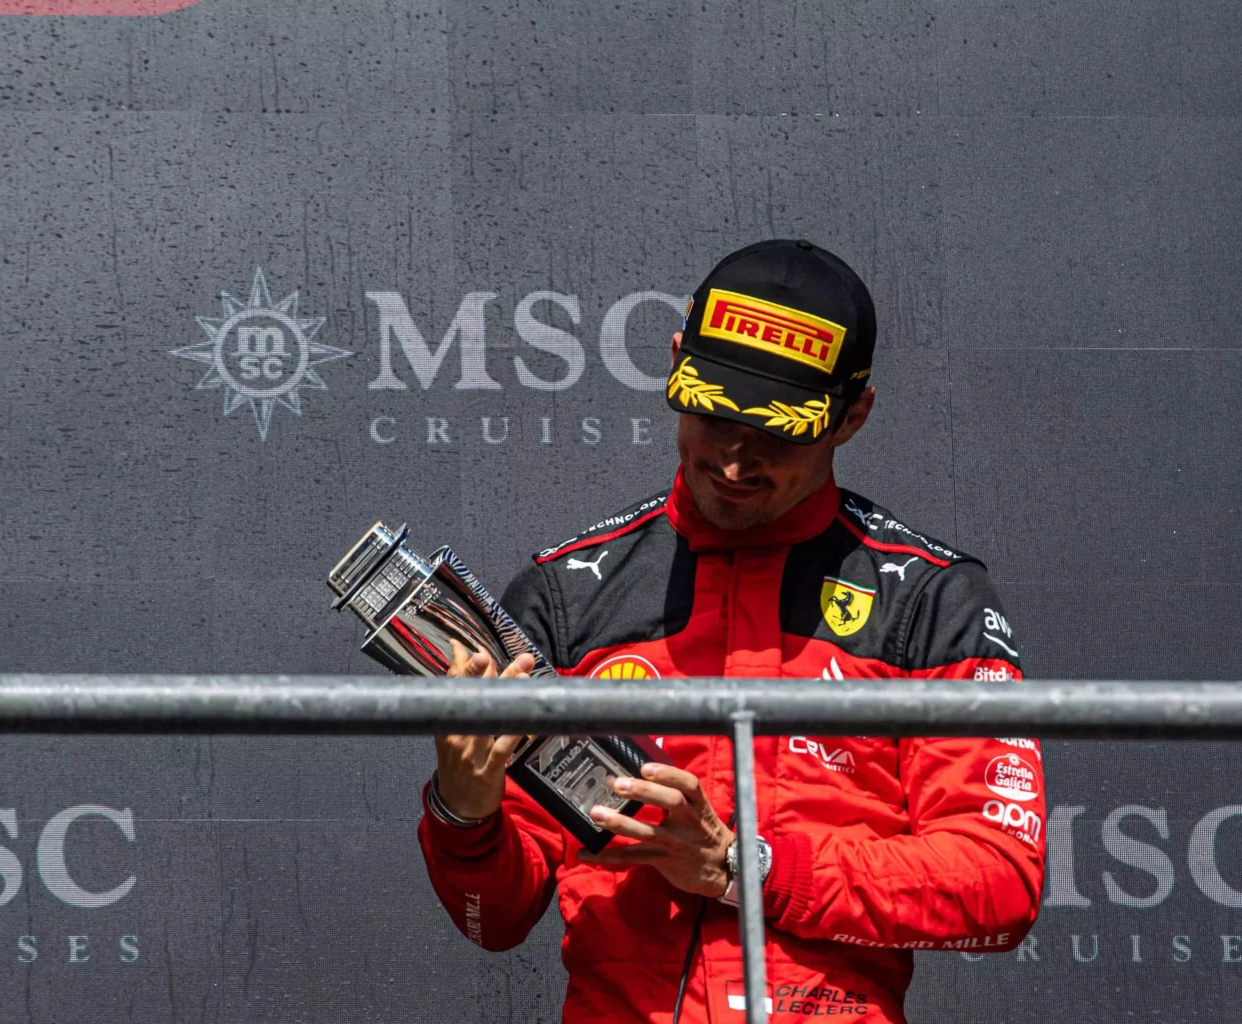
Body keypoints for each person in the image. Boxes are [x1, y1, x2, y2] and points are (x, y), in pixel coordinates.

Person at [418, 240, 1046, 1023]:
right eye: (713, 414)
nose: (737, 460)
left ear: (853, 415)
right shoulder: (565, 594)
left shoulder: (931, 597)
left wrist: (746, 866)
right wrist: (463, 810)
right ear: (677, 361)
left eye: (780, 432)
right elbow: (494, 918)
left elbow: (999, 884)